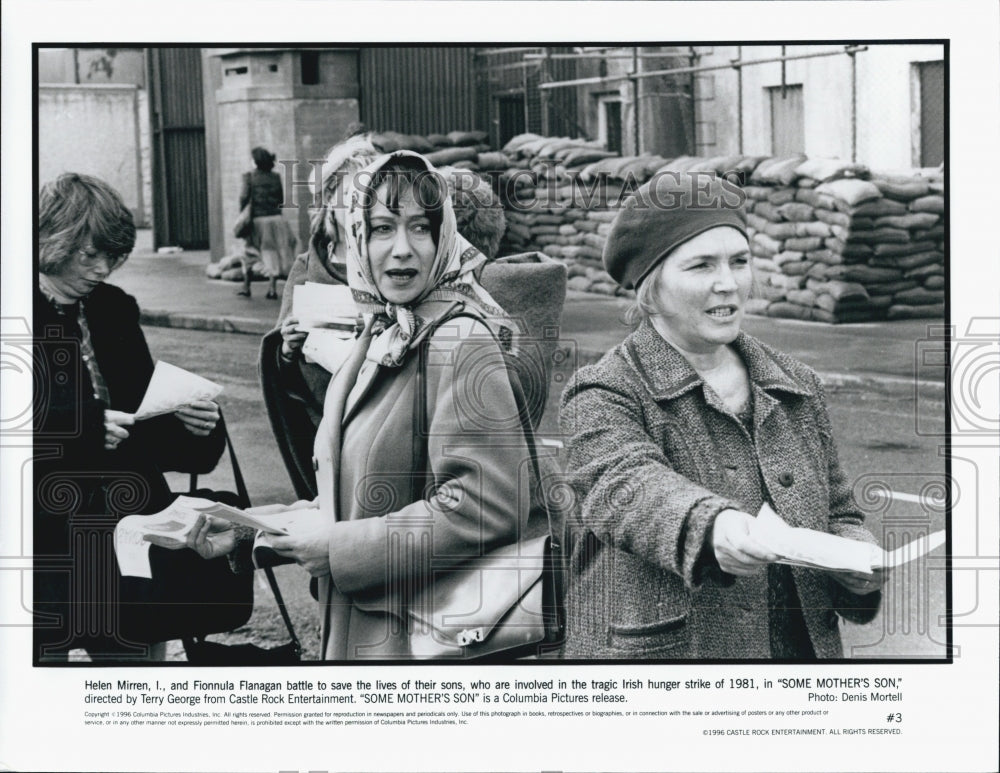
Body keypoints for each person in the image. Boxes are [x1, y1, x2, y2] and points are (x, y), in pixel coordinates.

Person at [559, 172, 885, 659]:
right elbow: (624, 486)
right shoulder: (605, 389)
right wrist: (710, 526)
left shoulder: (795, 383)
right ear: (650, 287)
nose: (727, 283)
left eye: (739, 261)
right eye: (701, 266)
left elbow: (838, 512)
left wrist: (855, 566)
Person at [264, 151, 541, 659]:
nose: (402, 250)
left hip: (416, 646)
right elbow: (360, 495)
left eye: (420, 227)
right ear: (357, 238)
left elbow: (485, 507)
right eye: (382, 227)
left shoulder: (458, 340)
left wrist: (341, 550)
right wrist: (254, 533)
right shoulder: (386, 333)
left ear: (444, 237)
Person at [33, 173, 225, 661]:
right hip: (42, 538)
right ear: (50, 239)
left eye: (111, 256)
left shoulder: (113, 310)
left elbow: (143, 420)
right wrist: (80, 428)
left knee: (133, 670)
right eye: (88, 254)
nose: (101, 269)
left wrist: (192, 423)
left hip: (126, 531)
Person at [237, 146, 296, 299]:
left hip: (258, 221)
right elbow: (281, 199)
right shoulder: (276, 177)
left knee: (248, 251)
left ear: (255, 161)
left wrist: (242, 212)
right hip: (277, 221)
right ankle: (272, 289)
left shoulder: (249, 177)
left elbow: (243, 197)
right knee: (272, 253)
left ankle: (246, 286)